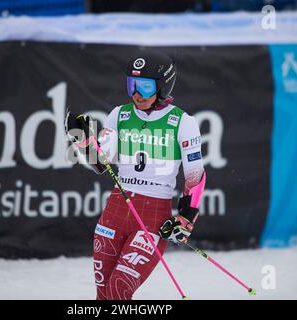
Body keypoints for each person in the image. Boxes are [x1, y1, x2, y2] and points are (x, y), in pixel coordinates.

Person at [65, 51, 206, 300]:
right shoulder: (120, 115)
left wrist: (185, 219)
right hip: (115, 212)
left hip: (151, 217)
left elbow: (195, 176)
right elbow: (101, 162)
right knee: (104, 296)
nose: (136, 94)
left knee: (119, 290)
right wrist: (84, 141)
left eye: (144, 86)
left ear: (162, 86)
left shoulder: (183, 122)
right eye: (132, 85)